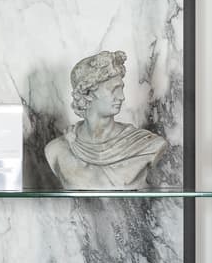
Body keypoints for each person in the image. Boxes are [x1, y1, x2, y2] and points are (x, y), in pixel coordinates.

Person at [44, 49, 167, 190]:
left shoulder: (146, 145)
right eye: (113, 89)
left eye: (121, 88)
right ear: (88, 93)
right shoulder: (58, 149)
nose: (121, 97)